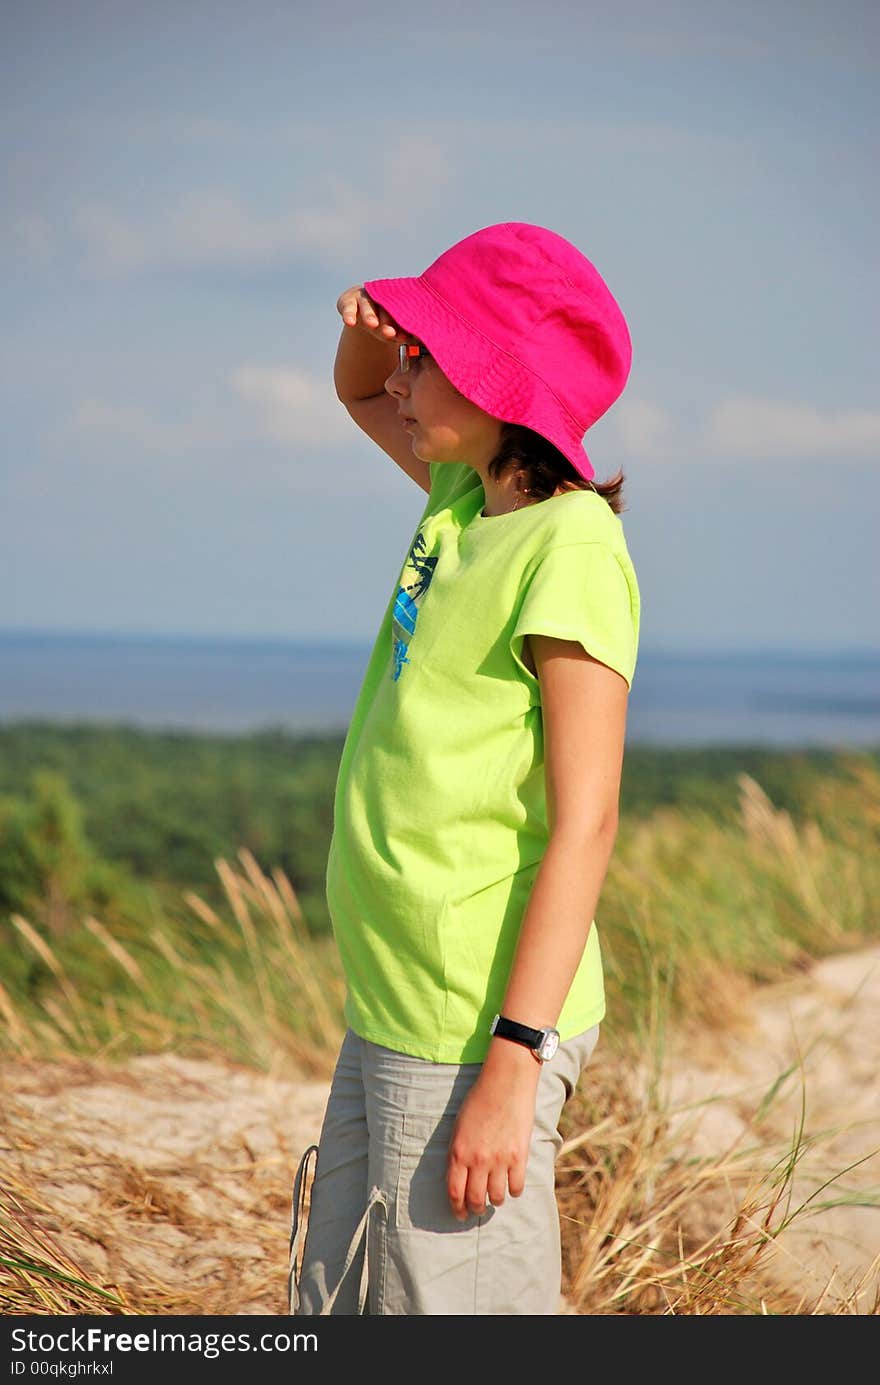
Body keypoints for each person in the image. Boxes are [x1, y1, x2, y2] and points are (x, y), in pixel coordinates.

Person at [288, 221, 641, 1316]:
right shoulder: (463, 501)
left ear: (503, 387)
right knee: (343, 1297)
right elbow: (356, 394)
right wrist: (371, 328)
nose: (401, 375)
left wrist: (514, 1060)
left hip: (472, 1021)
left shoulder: (566, 546)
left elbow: (585, 824)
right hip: (396, 1003)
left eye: (427, 357)